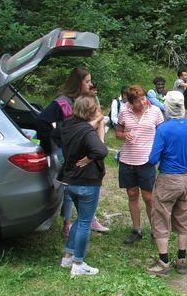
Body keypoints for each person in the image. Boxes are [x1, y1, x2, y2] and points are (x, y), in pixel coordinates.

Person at [36, 67, 109, 237]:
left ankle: (89, 217)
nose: (90, 84)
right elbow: (42, 121)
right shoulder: (62, 102)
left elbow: (96, 122)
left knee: (90, 185)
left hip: (85, 149)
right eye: (87, 81)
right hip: (69, 152)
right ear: (78, 82)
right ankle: (67, 224)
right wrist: (54, 142)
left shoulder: (85, 100)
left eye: (90, 81)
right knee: (70, 187)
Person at [146, 91, 187, 276]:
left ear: (168, 107)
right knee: (182, 218)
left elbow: (152, 159)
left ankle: (163, 261)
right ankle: (181, 258)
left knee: (161, 218)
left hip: (168, 179)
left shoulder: (164, 129)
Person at [58, 96, 108, 277]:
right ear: (90, 111)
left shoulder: (68, 126)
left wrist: (97, 124)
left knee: (80, 219)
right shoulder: (87, 131)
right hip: (87, 182)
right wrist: (88, 158)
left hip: (70, 180)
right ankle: (78, 263)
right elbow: (101, 151)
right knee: (86, 222)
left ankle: (68, 256)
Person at [116, 85, 164, 244]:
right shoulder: (124, 111)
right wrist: (124, 135)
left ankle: (155, 230)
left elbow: (162, 134)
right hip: (127, 159)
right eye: (137, 101)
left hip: (146, 160)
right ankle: (136, 230)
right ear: (130, 102)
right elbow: (118, 132)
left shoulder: (155, 112)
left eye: (143, 98)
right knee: (132, 194)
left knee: (149, 197)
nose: (142, 103)